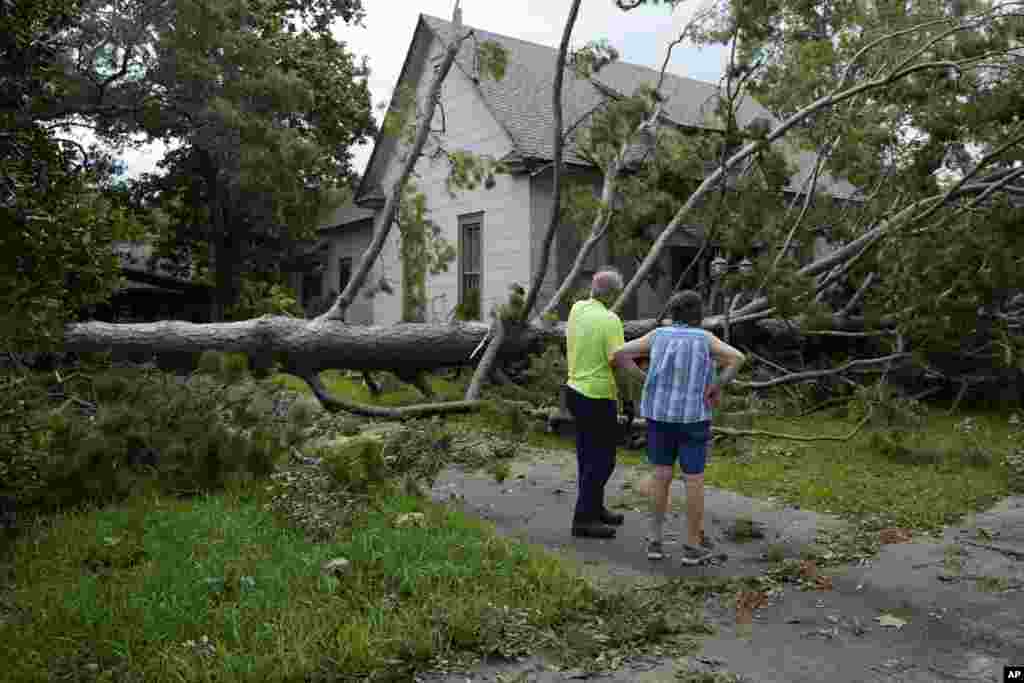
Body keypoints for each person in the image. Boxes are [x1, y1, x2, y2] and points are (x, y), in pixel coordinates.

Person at [613, 290, 746, 565]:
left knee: (660, 476)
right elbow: (737, 358)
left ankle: (655, 541)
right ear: (698, 313)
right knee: (694, 480)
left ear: (673, 312)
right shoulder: (705, 339)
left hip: (659, 417)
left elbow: (620, 354)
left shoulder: (657, 336)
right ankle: (692, 546)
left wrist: (645, 378)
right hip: (694, 418)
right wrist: (716, 386)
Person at [565, 267, 627, 538]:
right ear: (612, 294)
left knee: (586, 455)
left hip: (574, 391)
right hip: (598, 396)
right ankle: (583, 519)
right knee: (603, 460)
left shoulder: (577, 309)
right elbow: (618, 362)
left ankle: (595, 507)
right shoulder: (610, 320)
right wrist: (627, 397)